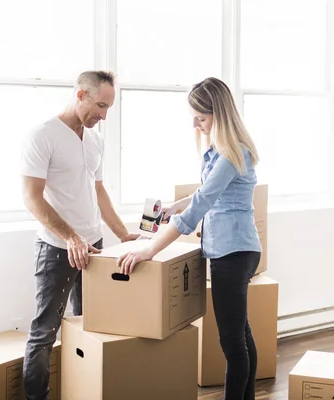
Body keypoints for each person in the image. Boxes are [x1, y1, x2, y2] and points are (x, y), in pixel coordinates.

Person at [117, 77, 262, 400]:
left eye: (202, 117)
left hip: (232, 252)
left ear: (219, 114)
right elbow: (204, 194)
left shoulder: (230, 154)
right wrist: (173, 207)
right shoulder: (219, 152)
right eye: (194, 117)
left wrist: (149, 250)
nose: (195, 124)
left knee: (232, 343)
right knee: (242, 334)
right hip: (236, 250)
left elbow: (201, 205)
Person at [21, 70, 141, 400]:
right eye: (100, 106)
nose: (103, 116)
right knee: (45, 330)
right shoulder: (43, 135)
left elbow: (98, 191)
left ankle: (86, 391)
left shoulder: (95, 140)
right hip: (58, 248)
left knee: (94, 327)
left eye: (108, 108)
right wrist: (72, 237)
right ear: (80, 95)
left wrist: (123, 233)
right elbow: (32, 197)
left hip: (95, 247)